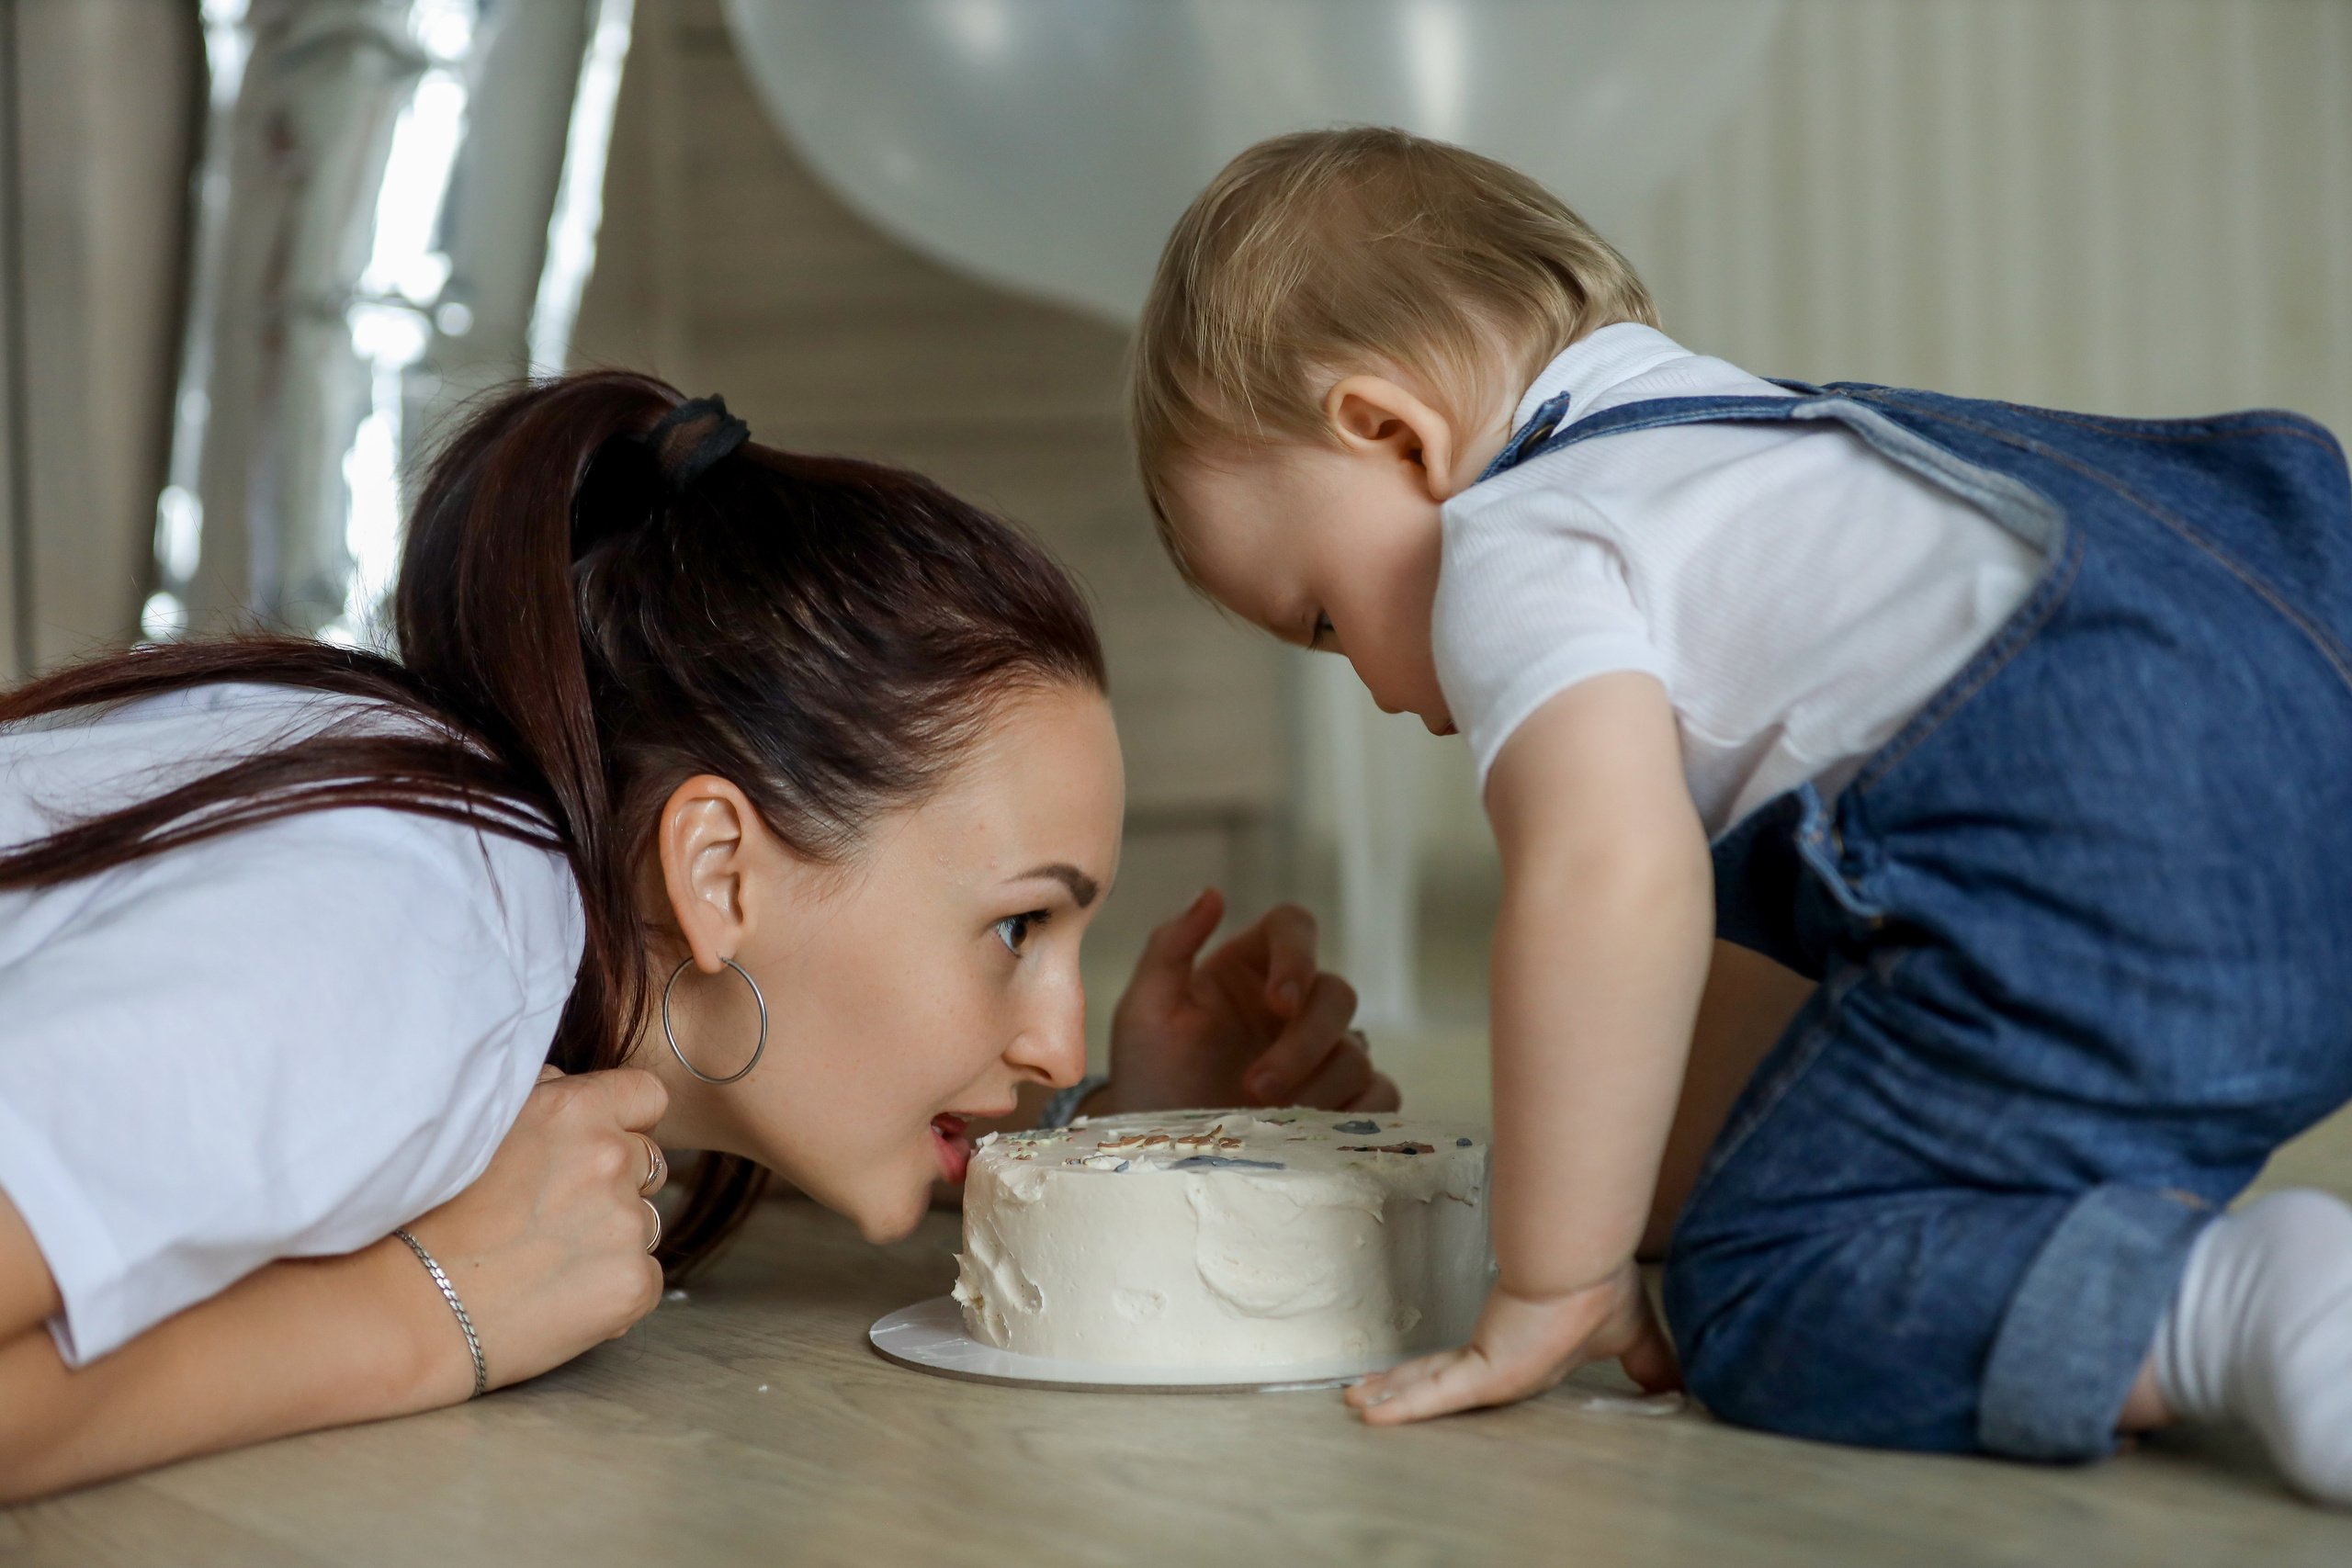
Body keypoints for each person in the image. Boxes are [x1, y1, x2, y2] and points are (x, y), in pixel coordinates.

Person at [1128, 126, 2352, 1502]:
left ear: (1392, 434)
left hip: (2113, 834)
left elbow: (1610, 879)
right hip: (2299, 749)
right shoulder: (1755, 454)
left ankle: (2230, 1301)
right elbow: (1745, 962)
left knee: (1762, 1279)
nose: (1362, 679)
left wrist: (1561, 1276)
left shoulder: (1520, 535)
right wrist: (1645, 1191)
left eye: (1321, 617)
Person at [0, 371, 1393, 1501]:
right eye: (1017, 924)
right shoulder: (405, 932)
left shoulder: (494, 898)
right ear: (718, 871)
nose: (1055, 1039)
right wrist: (428, 1314)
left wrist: (1109, 1152)